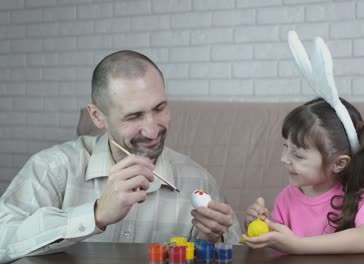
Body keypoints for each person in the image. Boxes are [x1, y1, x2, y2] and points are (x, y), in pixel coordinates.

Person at [0, 50, 241, 263]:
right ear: (97, 116)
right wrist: (96, 214)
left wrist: (211, 239)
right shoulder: (52, 168)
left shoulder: (199, 180)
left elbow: (235, 250)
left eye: (159, 108)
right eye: (134, 116)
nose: (152, 130)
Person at [243, 97, 364, 254]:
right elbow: (279, 247)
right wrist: (257, 227)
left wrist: (298, 245)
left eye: (298, 155)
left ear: (338, 163)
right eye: (286, 147)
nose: (284, 159)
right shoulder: (286, 198)